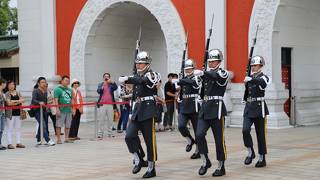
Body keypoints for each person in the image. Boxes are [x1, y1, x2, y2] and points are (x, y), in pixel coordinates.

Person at [119, 51, 161, 178]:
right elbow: (135, 90)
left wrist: (128, 78)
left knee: (150, 141)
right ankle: (138, 159)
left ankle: (151, 168)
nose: (138, 65)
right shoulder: (136, 76)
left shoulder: (153, 74)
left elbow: (144, 80)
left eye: (141, 63)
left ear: (148, 64)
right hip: (137, 109)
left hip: (148, 110)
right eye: (137, 63)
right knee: (129, 136)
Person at [195, 49, 229, 176]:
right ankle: (205, 161)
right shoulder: (206, 74)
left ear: (219, 61)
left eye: (213, 61)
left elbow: (216, 77)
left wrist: (204, 73)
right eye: (209, 61)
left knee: (219, 140)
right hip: (205, 108)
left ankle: (221, 165)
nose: (211, 63)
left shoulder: (223, 73)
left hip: (217, 109)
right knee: (199, 135)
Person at [242, 55, 270, 168]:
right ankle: (250, 151)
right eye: (252, 65)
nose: (253, 67)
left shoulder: (264, 77)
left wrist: (251, 79)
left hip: (259, 108)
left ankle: (262, 157)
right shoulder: (249, 77)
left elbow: (262, 84)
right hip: (249, 107)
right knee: (245, 130)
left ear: (261, 66)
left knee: (260, 134)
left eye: (255, 65)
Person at [172, 59, 201, 160]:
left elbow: (191, 82)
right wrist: (178, 85)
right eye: (186, 69)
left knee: (198, 131)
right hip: (184, 105)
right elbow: (179, 89)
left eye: (190, 69)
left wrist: (180, 81)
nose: (188, 71)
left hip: (194, 106)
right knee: (181, 126)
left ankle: (198, 150)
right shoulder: (183, 78)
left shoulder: (197, 77)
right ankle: (189, 140)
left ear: (194, 69)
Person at [31, 77, 55, 146]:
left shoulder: (45, 91)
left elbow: (46, 101)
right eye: (42, 82)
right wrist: (39, 102)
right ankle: (48, 140)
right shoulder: (35, 90)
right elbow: (33, 100)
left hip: (44, 110)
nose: (44, 83)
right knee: (43, 124)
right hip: (36, 110)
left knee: (41, 124)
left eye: (45, 82)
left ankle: (38, 139)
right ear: (38, 83)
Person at [5, 80, 26, 149]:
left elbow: (23, 100)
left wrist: (14, 102)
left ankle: (18, 143)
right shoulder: (7, 93)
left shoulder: (18, 92)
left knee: (18, 128)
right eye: (10, 84)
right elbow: (9, 103)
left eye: (13, 84)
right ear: (7, 86)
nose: (12, 86)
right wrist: (18, 101)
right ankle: (9, 143)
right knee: (9, 129)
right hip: (10, 114)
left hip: (18, 113)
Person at [97, 72, 118, 137]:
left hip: (110, 104)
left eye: (107, 76)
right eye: (105, 76)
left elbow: (116, 87)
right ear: (103, 78)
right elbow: (98, 91)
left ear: (109, 77)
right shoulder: (100, 84)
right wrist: (102, 87)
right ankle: (100, 134)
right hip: (102, 104)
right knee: (101, 120)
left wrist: (112, 82)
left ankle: (110, 133)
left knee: (110, 120)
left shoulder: (111, 85)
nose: (106, 77)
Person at [54, 75, 73, 144]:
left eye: (68, 81)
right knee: (59, 125)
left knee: (68, 125)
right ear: (61, 81)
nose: (67, 82)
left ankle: (66, 138)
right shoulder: (57, 89)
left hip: (69, 110)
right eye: (65, 80)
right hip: (61, 110)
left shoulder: (70, 90)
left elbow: (71, 100)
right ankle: (58, 139)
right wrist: (57, 109)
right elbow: (56, 100)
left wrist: (72, 109)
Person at [0, 79, 7, 150]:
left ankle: (0, 144)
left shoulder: (2, 92)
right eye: (5, 84)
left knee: (2, 129)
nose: (6, 85)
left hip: (2, 113)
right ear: (2, 84)